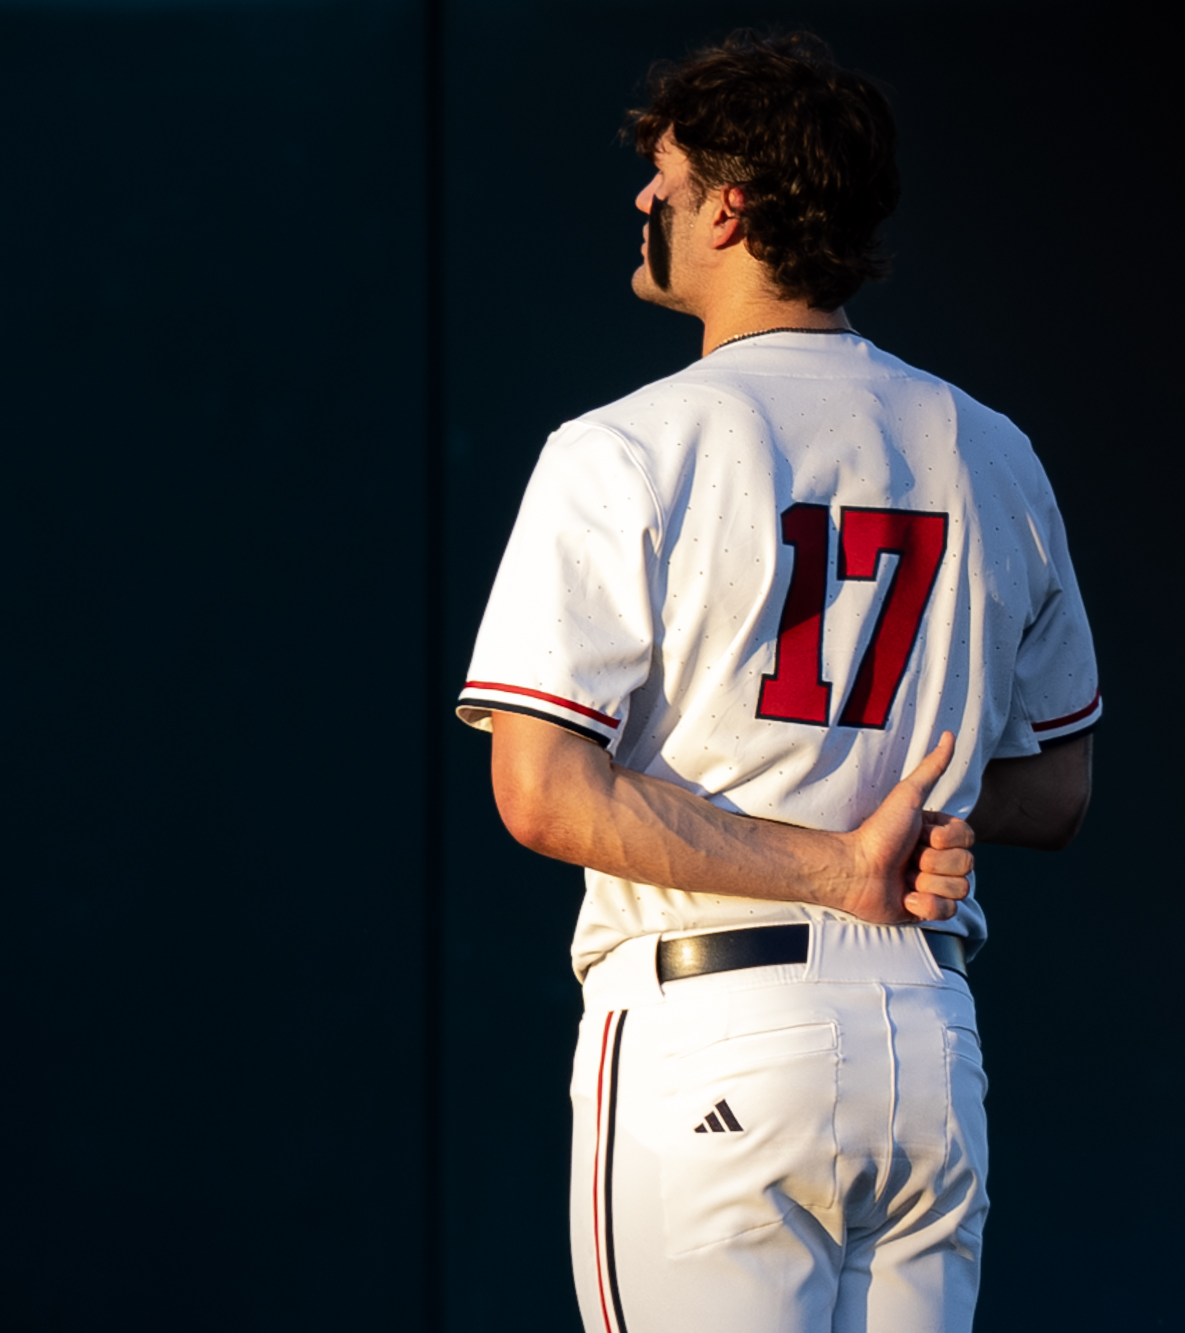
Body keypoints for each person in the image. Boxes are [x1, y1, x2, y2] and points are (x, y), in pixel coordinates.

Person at [453, 30, 1099, 1333]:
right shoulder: (992, 448)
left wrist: (836, 861)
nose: (647, 200)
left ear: (732, 210)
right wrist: (924, 822)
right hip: (924, 1030)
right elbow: (1059, 784)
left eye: (671, 181)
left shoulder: (621, 448)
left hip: (716, 1019)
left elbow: (536, 789)